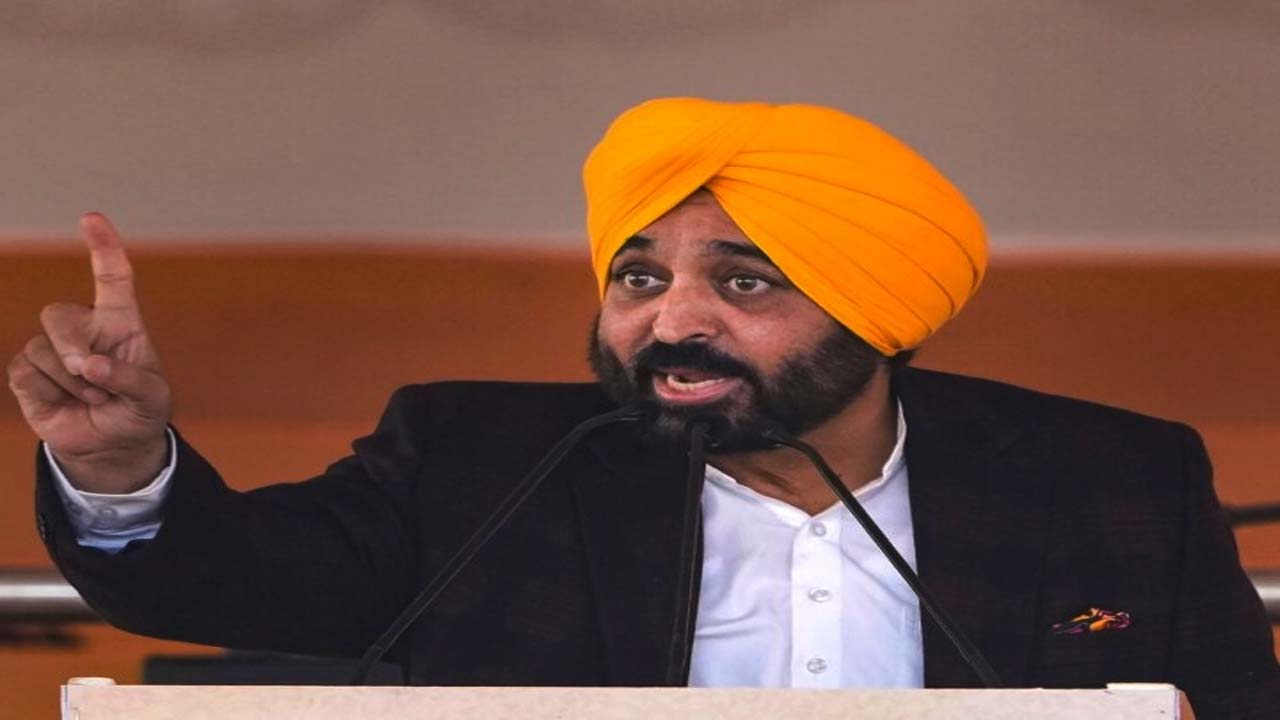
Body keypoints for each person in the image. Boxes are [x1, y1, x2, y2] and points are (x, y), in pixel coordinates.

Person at [9, 98, 1278, 717]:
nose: (671, 322)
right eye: (637, 277)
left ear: (878, 309)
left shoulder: (1112, 482)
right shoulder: (481, 463)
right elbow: (219, 584)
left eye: (743, 282)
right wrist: (119, 465)